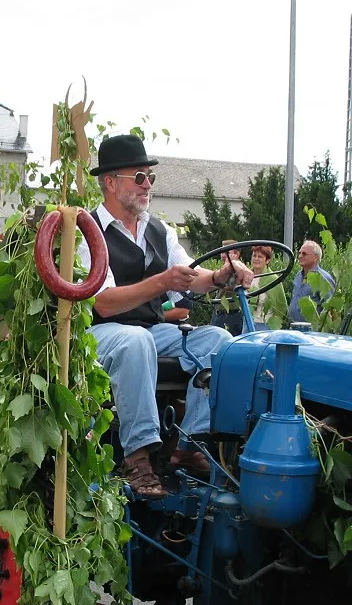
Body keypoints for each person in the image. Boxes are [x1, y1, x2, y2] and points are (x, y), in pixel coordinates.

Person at [77, 135, 254, 498]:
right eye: (139, 177)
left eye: (150, 178)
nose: (147, 185)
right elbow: (104, 303)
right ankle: (137, 458)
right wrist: (160, 282)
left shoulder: (158, 230)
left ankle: (188, 446)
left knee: (220, 343)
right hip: (99, 334)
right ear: (110, 182)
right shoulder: (87, 232)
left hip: (150, 330)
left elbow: (189, 275)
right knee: (135, 340)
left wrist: (220, 277)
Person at [288, 240, 336, 322]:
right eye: (299, 253)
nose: (300, 256)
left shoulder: (323, 278)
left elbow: (331, 309)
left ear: (315, 257)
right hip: (294, 328)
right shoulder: (298, 275)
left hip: (312, 331)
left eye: (304, 254)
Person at [210, 239, 244, 337]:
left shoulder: (237, 269)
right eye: (222, 252)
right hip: (218, 312)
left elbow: (229, 286)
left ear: (236, 254)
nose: (223, 255)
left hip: (230, 315)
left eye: (227, 252)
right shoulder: (225, 268)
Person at [249, 244, 273, 329]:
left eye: (260, 257)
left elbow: (281, 305)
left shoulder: (273, 279)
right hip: (248, 322)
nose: (256, 259)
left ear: (267, 260)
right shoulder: (246, 276)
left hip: (265, 325)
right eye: (254, 256)